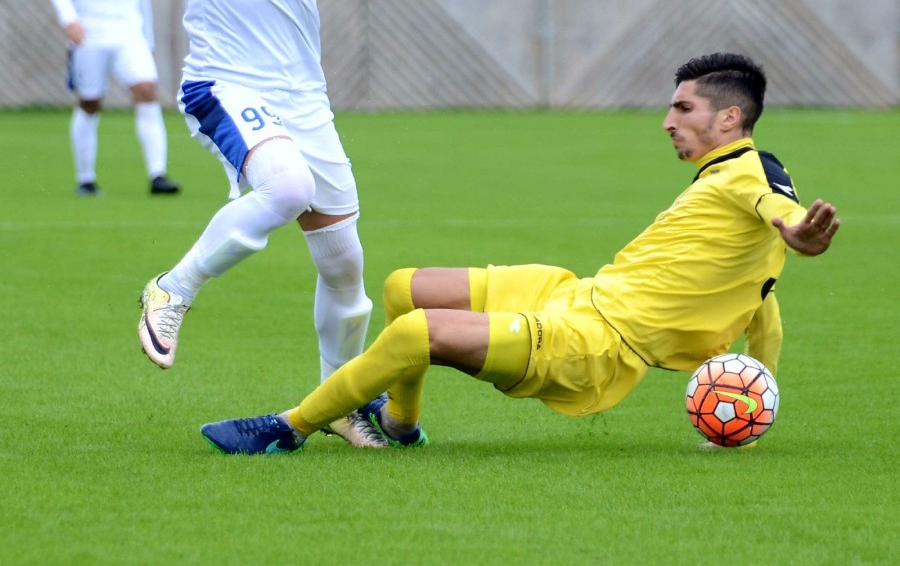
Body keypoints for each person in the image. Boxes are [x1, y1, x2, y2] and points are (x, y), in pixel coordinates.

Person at [101, 0, 508, 448]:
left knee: (344, 263)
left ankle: (339, 402)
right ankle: (172, 287)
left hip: (303, 96)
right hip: (224, 81)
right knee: (287, 187)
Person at [198, 52, 840, 455]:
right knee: (403, 289)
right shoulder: (728, 186)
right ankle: (399, 423)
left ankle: (289, 429)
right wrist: (760, 382)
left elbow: (778, 213)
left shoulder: (749, 174)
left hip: (596, 346)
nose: (667, 121)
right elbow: (763, 300)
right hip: (575, 293)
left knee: (417, 333)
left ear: (729, 119)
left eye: (683, 107)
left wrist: (797, 232)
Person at [49, 0, 181, 197]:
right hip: (90, 34)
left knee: (147, 90)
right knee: (90, 102)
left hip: (128, 33)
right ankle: (85, 178)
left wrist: (148, 39)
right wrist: (70, 20)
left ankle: (157, 174)